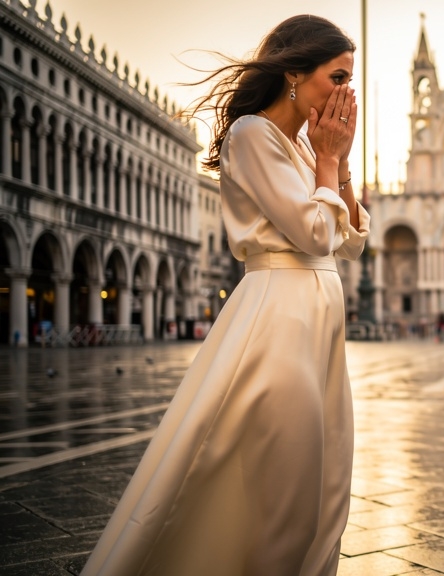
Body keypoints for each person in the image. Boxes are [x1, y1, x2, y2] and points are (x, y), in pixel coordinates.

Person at [81, 15, 368, 576]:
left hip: (319, 321)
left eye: (350, 80)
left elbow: (352, 242)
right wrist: (329, 162)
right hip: (281, 317)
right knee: (288, 488)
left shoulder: (304, 149)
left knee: (325, 485)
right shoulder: (252, 134)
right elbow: (313, 233)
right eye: (337, 77)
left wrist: (340, 162)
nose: (346, 94)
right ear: (293, 73)